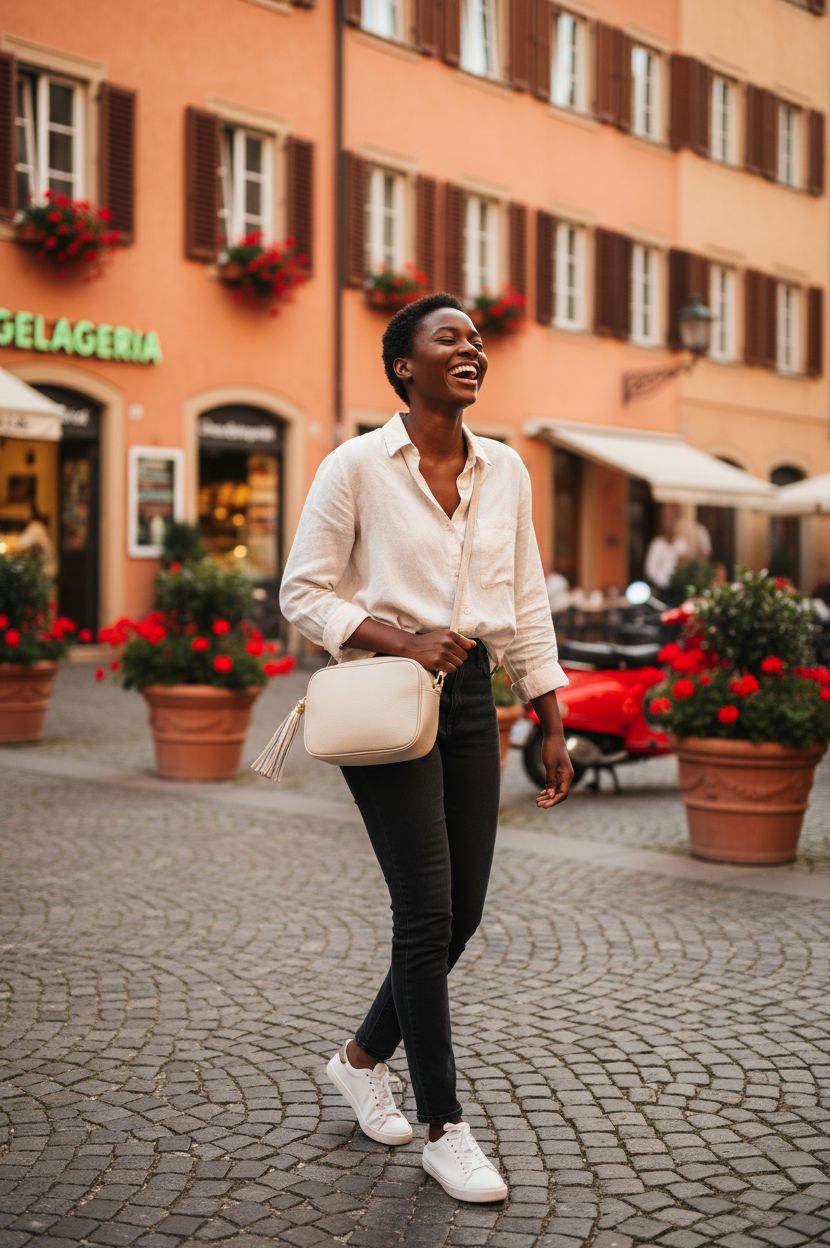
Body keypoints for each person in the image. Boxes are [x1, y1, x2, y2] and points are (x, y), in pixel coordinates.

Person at [279, 292, 573, 1203]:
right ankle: (445, 1126)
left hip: (475, 696)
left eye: (478, 339)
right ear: (404, 364)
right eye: (450, 337)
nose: (471, 348)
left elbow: (523, 601)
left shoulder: (508, 472)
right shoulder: (355, 466)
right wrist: (399, 638)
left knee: (466, 909)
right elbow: (302, 592)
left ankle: (361, 1058)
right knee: (426, 913)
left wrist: (551, 710)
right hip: (390, 696)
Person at [16, 499, 57, 578]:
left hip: (44, 570)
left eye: (24, 510)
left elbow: (22, 544)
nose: (21, 514)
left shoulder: (35, 526)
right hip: (44, 569)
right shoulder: (36, 526)